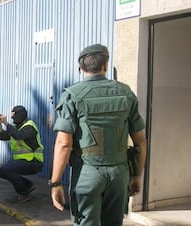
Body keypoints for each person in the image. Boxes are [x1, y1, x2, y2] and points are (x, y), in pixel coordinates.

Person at [50, 44, 147, 226]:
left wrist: (55, 184)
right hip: (119, 174)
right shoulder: (126, 93)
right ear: (106, 66)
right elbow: (140, 142)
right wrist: (136, 176)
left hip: (88, 174)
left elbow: (64, 144)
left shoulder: (72, 95)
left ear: (81, 68)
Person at [0, 105, 44, 203]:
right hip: (23, 161)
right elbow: (2, 136)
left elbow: (19, 136)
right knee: (2, 171)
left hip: (34, 162)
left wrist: (5, 122)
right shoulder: (16, 128)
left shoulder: (30, 126)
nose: (12, 118)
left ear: (20, 115)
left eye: (14, 115)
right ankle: (28, 185)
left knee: (6, 170)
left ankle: (24, 194)